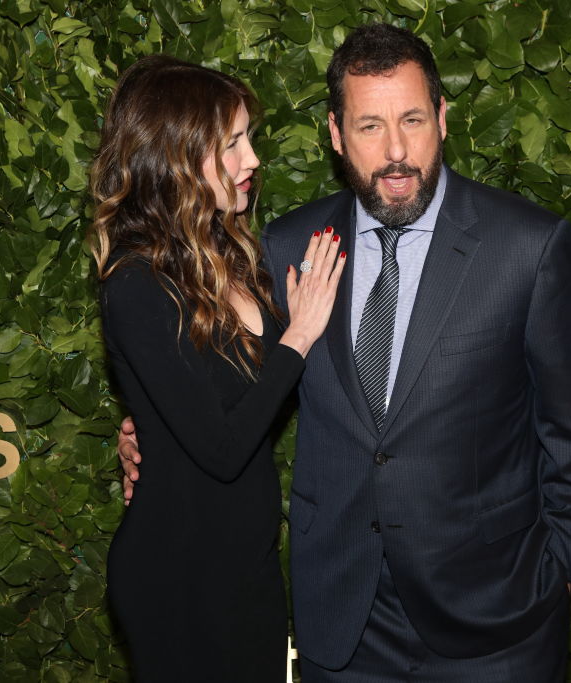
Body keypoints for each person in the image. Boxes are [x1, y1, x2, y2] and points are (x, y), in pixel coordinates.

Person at [119, 24, 571, 681]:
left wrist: (566, 571)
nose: (397, 149)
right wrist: (146, 436)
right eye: (370, 125)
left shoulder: (528, 246)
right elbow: (218, 382)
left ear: (442, 117)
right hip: (343, 628)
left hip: (496, 627)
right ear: (335, 134)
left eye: (412, 118)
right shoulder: (289, 246)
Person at [91, 54, 345, 681]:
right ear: (177, 156)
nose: (252, 158)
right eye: (232, 143)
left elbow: (222, 393)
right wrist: (301, 333)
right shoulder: (136, 283)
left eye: (247, 138)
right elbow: (224, 446)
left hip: (246, 563)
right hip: (179, 575)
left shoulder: (231, 251)